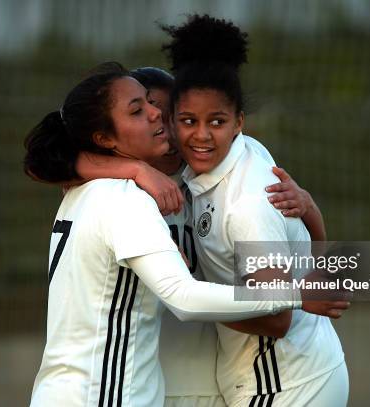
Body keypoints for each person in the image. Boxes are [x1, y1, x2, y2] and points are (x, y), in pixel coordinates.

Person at [24, 62, 348, 407]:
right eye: (142, 110)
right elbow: (43, 161)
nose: (160, 122)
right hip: (120, 388)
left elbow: (281, 299)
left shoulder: (217, 177)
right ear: (107, 138)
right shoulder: (115, 192)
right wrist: (134, 169)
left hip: (202, 383)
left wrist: (308, 206)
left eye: (174, 116)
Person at [161, 15, 349, 407]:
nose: (201, 135)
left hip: (281, 382)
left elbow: (277, 319)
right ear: (172, 123)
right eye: (188, 121)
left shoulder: (246, 204)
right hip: (299, 370)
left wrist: (188, 293)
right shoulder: (248, 153)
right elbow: (312, 248)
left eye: (216, 121)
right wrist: (311, 207)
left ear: (238, 123)